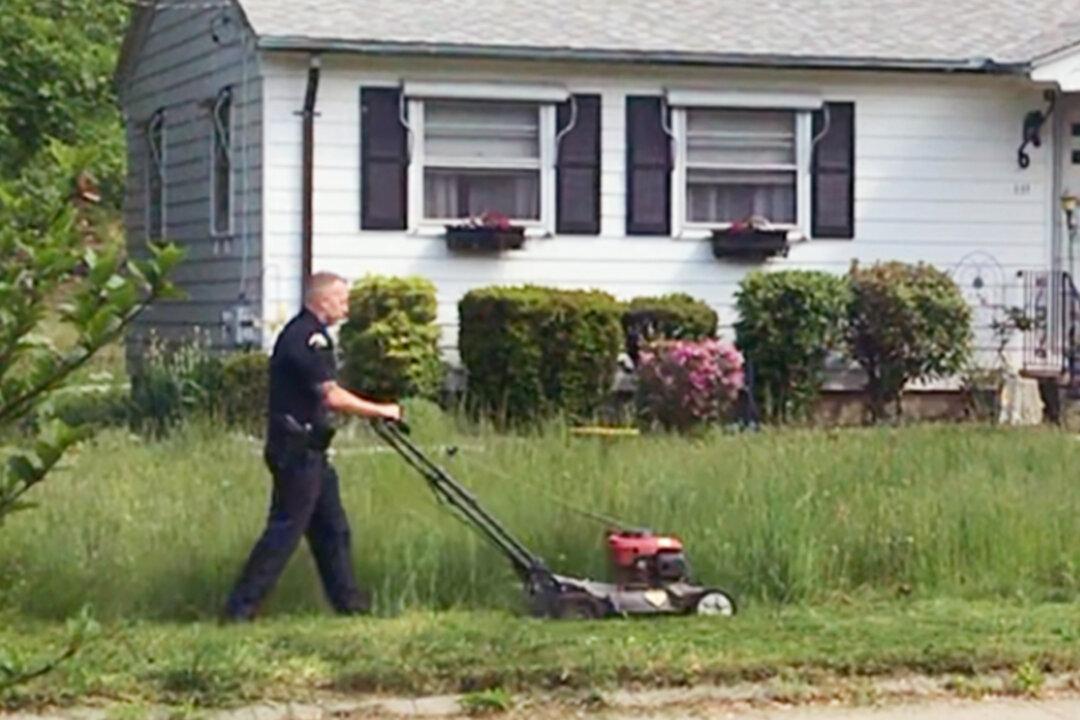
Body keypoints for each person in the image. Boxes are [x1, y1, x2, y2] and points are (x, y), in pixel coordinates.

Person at [223, 272, 401, 621]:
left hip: (313, 451)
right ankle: (238, 611)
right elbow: (330, 396)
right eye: (341, 300)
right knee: (286, 531)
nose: (346, 307)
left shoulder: (313, 336)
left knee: (333, 530)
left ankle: (351, 608)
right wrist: (381, 410)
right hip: (296, 449)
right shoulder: (307, 338)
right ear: (321, 300)